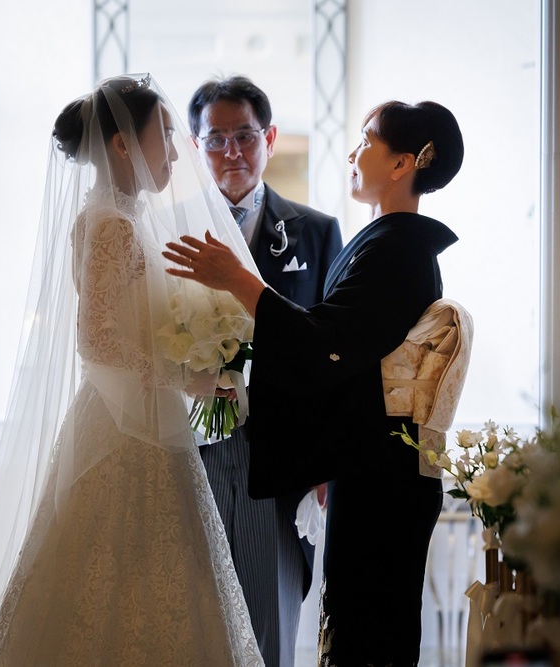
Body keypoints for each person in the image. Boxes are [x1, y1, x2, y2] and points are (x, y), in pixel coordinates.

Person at [0, 74, 264, 666]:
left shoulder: (126, 218)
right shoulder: (110, 224)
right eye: (164, 135)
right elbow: (98, 339)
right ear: (122, 144)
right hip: (122, 428)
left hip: (143, 417)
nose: (175, 152)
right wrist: (187, 377)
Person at [165, 99, 465, 666]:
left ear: (402, 164)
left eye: (366, 141)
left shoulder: (399, 249)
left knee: (367, 633)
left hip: (383, 475)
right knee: (350, 623)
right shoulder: (385, 240)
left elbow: (328, 344)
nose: (353, 153)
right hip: (369, 462)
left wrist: (238, 281)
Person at [186, 74, 343, 667]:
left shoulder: (317, 232)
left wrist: (326, 458)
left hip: (280, 455)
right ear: (197, 147)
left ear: (270, 139)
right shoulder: (169, 229)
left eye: (245, 136)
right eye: (216, 139)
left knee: (266, 625)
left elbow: (333, 353)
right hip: (191, 451)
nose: (231, 152)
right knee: (191, 617)